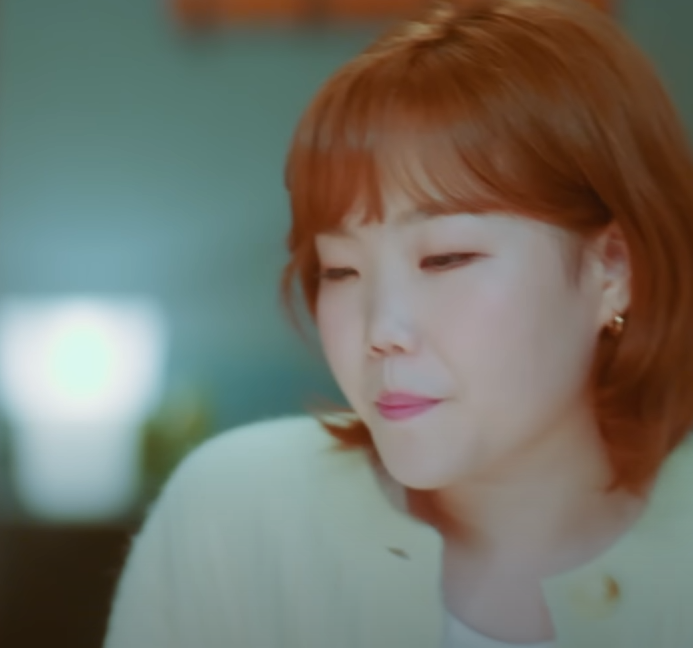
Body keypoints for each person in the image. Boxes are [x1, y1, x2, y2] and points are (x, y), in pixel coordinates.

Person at [103, 0, 693, 646]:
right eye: (340, 269)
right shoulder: (238, 516)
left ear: (613, 269)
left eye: (445, 259)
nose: (382, 329)